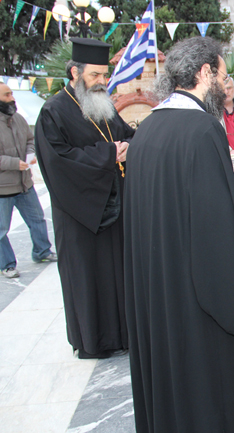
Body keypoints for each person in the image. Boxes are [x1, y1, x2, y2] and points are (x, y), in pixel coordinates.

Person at [123, 36, 234, 433]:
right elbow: (218, 221)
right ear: (205, 74)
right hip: (195, 302)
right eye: (222, 73)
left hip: (160, 289)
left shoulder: (149, 127)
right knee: (210, 390)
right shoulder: (202, 129)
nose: (225, 81)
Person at [34, 38, 133, 359]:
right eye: (94, 76)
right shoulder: (53, 111)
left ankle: (122, 336)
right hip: (81, 214)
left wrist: (135, 144)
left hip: (113, 210)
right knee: (88, 280)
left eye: (104, 75)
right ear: (75, 72)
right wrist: (108, 154)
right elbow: (58, 162)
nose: (102, 82)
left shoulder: (101, 107)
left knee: (117, 277)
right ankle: (94, 342)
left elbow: (125, 135)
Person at [0, 83, 56, 279]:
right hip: (3, 189)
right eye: (7, 95)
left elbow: (30, 140)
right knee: (1, 230)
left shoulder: (19, 120)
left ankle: (42, 251)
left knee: (37, 219)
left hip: (25, 184)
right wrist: (16, 163)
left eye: (11, 94)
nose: (12, 98)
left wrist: (30, 153)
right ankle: (6, 264)